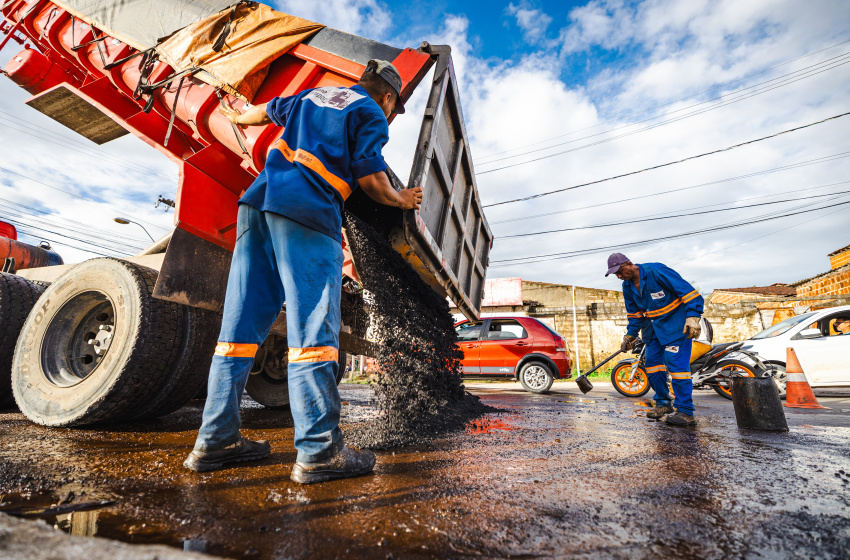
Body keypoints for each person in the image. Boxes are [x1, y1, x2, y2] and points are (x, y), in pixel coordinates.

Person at [183, 60, 423, 483]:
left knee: (237, 333)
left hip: (257, 206)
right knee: (314, 333)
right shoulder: (369, 112)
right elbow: (371, 178)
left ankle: (215, 439)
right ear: (387, 98)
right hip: (308, 213)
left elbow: (259, 112)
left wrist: (233, 114)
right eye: (393, 108)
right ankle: (319, 450)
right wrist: (401, 199)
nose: (389, 115)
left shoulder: (314, 95)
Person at [606, 253, 704, 426]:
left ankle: (685, 412)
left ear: (629, 264)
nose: (619, 276)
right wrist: (630, 335)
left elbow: (689, 293)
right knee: (652, 367)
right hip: (652, 331)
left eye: (620, 271)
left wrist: (693, 316)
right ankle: (663, 404)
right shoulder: (627, 287)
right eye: (616, 274)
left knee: (678, 369)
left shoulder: (656, 271)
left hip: (676, 327)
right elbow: (634, 314)